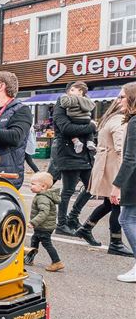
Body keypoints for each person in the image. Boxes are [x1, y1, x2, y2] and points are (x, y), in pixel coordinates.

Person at [74, 94, 132, 256]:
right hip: (113, 167)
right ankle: (116, 243)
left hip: (106, 166)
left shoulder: (111, 118)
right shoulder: (121, 121)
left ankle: (86, 228)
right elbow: (121, 150)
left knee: (109, 204)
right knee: (117, 205)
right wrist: (121, 179)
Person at [52, 82, 97, 235]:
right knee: (68, 190)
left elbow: (89, 120)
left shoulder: (86, 103)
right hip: (69, 153)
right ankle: (61, 224)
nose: (73, 92)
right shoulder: (62, 103)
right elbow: (66, 128)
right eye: (71, 90)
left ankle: (72, 217)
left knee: (91, 188)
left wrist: (90, 129)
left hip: (86, 155)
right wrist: (90, 127)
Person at [112, 82, 136, 283]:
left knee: (126, 219)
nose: (118, 100)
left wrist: (116, 185)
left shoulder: (134, 123)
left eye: (122, 97)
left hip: (134, 182)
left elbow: (130, 159)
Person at [25, 172, 64, 272]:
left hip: (44, 226)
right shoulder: (41, 195)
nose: (31, 186)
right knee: (34, 240)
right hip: (42, 226)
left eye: (33, 184)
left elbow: (44, 212)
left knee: (46, 243)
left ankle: (57, 262)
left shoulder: (42, 198)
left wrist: (33, 222)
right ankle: (29, 258)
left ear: (43, 186)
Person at [58, 82, 96, 154]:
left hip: (75, 118)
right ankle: (90, 141)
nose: (70, 92)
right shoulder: (87, 99)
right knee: (89, 130)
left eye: (72, 90)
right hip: (86, 119)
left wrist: (64, 96)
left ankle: (76, 141)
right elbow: (92, 106)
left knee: (71, 129)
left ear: (80, 91)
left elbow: (65, 104)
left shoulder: (73, 98)